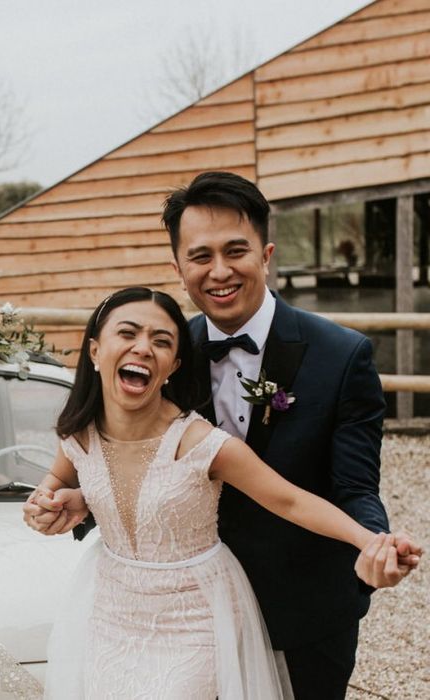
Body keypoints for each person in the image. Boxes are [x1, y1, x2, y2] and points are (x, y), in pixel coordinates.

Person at [25, 172, 423, 699]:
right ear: (178, 267)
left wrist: (375, 548)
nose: (219, 271)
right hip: (173, 616)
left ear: (266, 254)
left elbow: (354, 488)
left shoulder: (343, 356)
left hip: (300, 608)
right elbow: (144, 456)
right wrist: (86, 500)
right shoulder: (167, 352)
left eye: (236, 251)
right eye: (200, 256)